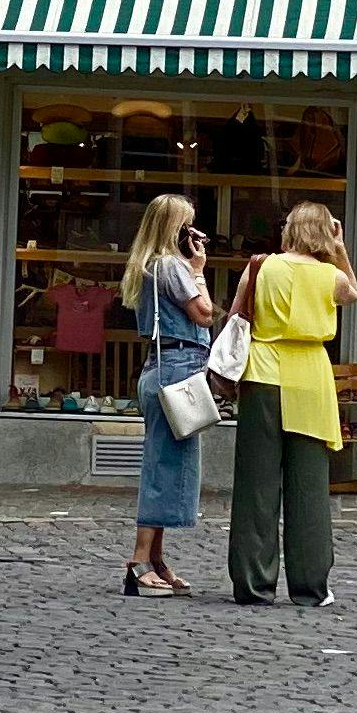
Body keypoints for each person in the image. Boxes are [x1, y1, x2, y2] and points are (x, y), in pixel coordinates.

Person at [228, 202, 355, 611]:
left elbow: (235, 317)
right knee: (309, 488)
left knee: (256, 487)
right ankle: (310, 586)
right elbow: (352, 292)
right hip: (310, 380)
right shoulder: (328, 274)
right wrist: (339, 248)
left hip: (262, 374)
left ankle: (253, 584)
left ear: (288, 231)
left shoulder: (260, 266)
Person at [121, 193, 215, 597]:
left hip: (164, 369)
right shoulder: (171, 267)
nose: (193, 233)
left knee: (170, 462)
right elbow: (205, 313)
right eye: (187, 225)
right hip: (176, 369)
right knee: (162, 465)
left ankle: (157, 558)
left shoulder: (148, 265)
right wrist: (199, 270)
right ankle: (141, 560)